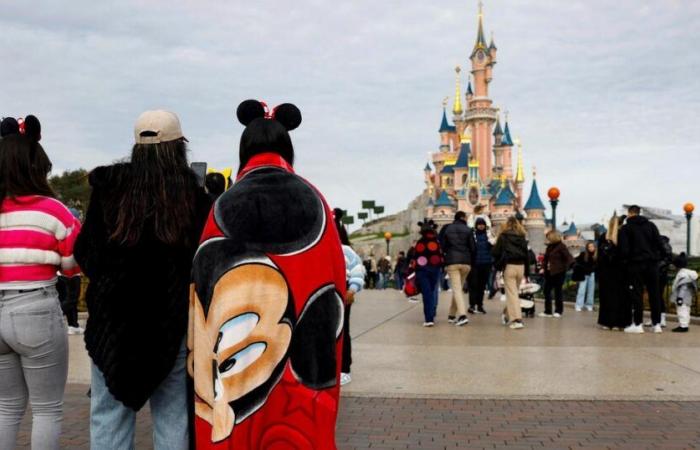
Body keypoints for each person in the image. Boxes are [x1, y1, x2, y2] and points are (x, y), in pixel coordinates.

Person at [189, 100, 346, 448]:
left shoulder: (224, 203)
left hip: (236, 363)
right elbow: (333, 277)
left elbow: (202, 281)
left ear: (244, 150)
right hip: (301, 357)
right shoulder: (314, 199)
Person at [74, 110, 212, 449]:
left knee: (108, 416)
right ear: (178, 147)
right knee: (172, 417)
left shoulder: (109, 190)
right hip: (171, 325)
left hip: (112, 326)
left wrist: (110, 282)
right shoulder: (193, 198)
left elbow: (85, 251)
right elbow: (204, 262)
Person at [0, 135, 81, 450]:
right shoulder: (54, 211)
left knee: (6, 406)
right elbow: (73, 264)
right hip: (35, 308)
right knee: (47, 408)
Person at [618, 205, 666, 334]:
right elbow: (660, 244)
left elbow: (624, 250)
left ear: (629, 213)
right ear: (639, 213)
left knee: (637, 294)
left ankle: (638, 324)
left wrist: (626, 261)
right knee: (655, 294)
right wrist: (658, 258)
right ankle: (657, 324)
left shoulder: (626, 228)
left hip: (635, 264)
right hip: (652, 264)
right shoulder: (651, 226)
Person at [333, 209, 366, 386]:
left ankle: (344, 368)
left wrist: (352, 290)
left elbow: (357, 272)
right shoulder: (322, 250)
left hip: (343, 292)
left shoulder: (346, 251)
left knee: (342, 330)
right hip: (327, 293)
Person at [492, 216, 529, 329]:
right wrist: (527, 272)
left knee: (512, 295)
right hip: (521, 267)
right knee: (514, 294)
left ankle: (517, 320)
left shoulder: (503, 236)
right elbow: (526, 254)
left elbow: (495, 252)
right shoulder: (522, 237)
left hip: (509, 266)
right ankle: (506, 314)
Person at [596, 214, 631, 330]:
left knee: (606, 298)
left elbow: (599, 257)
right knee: (620, 297)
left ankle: (606, 321)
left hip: (605, 273)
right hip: (620, 272)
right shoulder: (623, 236)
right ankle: (619, 322)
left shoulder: (603, 237)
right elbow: (626, 254)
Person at [440, 211, 475, 326]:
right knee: (458, 289)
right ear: (462, 218)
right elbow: (473, 248)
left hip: (452, 262)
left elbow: (443, 246)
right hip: (466, 263)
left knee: (457, 289)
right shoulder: (469, 230)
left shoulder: (448, 229)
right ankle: (451, 314)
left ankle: (462, 315)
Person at [411, 219, 444, 327]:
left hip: (422, 271)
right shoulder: (437, 241)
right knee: (432, 291)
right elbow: (441, 256)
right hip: (435, 270)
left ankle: (429, 318)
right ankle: (431, 314)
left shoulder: (420, 242)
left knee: (427, 294)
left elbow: (415, 257)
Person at [539, 230, 574, 318]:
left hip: (559, 273)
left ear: (552, 237)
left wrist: (568, 267)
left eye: (548, 237)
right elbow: (545, 259)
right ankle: (548, 311)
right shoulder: (549, 247)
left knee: (558, 292)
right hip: (549, 272)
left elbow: (568, 257)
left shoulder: (561, 246)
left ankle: (558, 311)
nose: (547, 239)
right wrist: (542, 268)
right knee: (546, 291)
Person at [469, 217, 493, 314]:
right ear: (476, 225)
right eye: (479, 224)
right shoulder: (472, 235)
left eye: (482, 224)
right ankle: (472, 305)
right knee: (473, 285)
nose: (481, 226)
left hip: (486, 264)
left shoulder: (489, 236)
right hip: (474, 264)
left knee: (482, 286)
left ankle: (480, 305)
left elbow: (493, 247)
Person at [670, 253, 697, 333]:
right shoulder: (688, 273)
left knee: (682, 311)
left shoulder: (682, 274)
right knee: (686, 310)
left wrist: (679, 298)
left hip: (682, 297)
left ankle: (683, 326)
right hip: (688, 296)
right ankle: (685, 324)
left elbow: (683, 287)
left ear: (677, 265)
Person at [574, 241, 597, 312]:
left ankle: (589, 305)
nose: (591, 248)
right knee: (581, 290)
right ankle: (578, 305)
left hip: (592, 274)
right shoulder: (583, 254)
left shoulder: (597, 255)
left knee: (591, 290)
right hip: (584, 274)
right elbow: (576, 261)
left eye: (592, 246)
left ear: (595, 247)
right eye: (589, 247)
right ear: (587, 248)